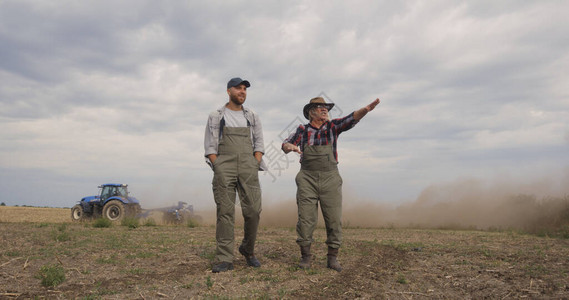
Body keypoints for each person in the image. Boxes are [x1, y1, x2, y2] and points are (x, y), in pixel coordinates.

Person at [282, 96, 380, 272]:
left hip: (330, 178)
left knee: (334, 219)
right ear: (311, 112)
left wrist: (366, 110)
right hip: (307, 179)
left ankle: (332, 258)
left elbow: (351, 118)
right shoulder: (302, 130)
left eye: (326, 107)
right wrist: (290, 147)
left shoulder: (333, 127)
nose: (325, 109)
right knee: (306, 220)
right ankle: (305, 257)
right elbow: (286, 143)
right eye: (320, 107)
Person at [204, 77, 266, 273]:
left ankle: (248, 250)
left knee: (253, 211)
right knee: (225, 213)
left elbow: (259, 142)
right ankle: (224, 258)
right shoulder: (216, 116)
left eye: (245, 89)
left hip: (248, 164)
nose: (243, 92)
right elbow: (209, 145)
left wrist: (255, 161)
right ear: (229, 91)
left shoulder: (252, 115)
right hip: (225, 165)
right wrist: (218, 165)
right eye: (238, 89)